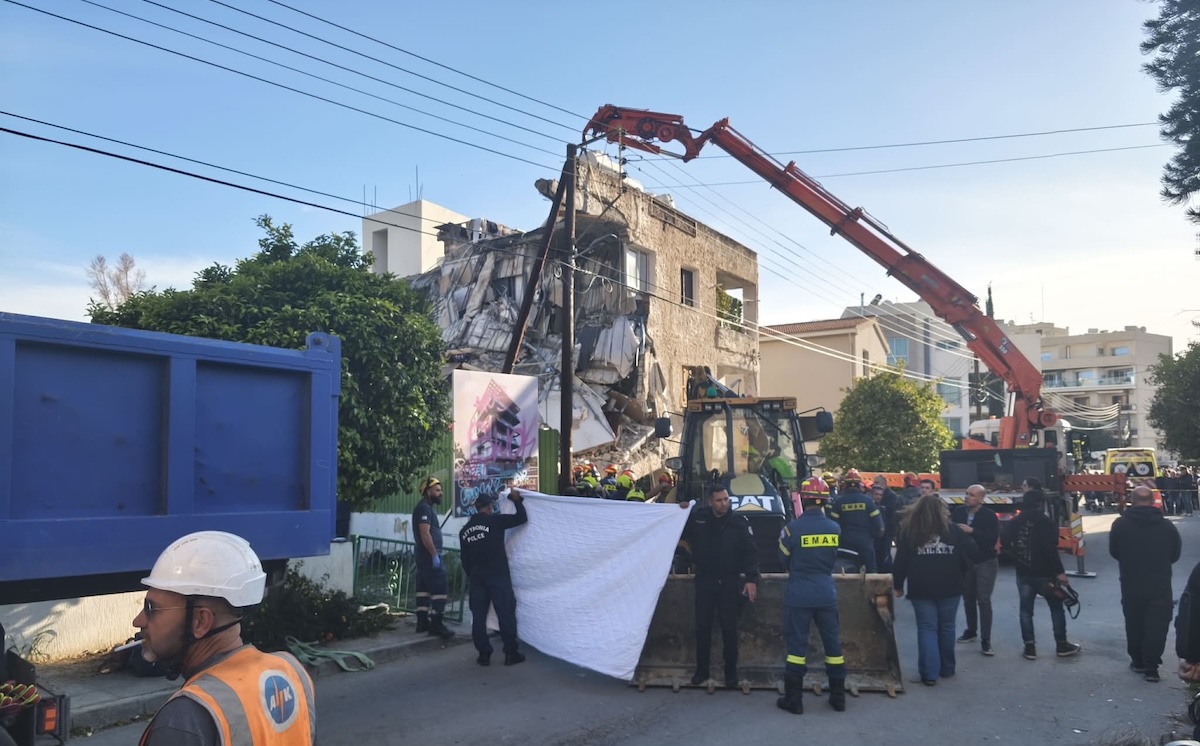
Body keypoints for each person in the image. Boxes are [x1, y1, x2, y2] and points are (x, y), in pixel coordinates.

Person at [134, 531, 316, 746]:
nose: (138, 621)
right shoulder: (292, 672)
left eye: (150, 608)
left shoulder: (184, 720)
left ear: (200, 622)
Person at [776, 477, 847, 714]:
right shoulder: (834, 528)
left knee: (797, 647)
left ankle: (794, 700)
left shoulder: (791, 529)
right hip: (826, 593)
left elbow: (781, 560)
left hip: (799, 594)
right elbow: (833, 557)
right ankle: (838, 698)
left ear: (802, 500)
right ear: (825, 500)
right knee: (833, 646)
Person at [677, 483, 760, 688]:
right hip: (704, 581)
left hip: (730, 582)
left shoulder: (739, 522)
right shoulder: (699, 518)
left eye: (726, 499)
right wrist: (679, 510)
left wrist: (751, 579)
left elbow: (751, 552)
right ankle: (702, 671)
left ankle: (730, 673)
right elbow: (677, 528)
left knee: (729, 629)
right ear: (710, 501)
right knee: (702, 627)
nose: (724, 503)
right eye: (719, 500)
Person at [892, 495, 976, 686]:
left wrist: (898, 585)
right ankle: (947, 668)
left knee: (927, 628)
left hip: (921, 586)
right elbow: (972, 550)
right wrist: (963, 570)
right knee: (947, 627)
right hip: (951, 584)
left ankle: (929, 673)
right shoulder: (953, 530)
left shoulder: (910, 531)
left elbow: (901, 561)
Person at [1109, 485, 1181, 682]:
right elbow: (1175, 554)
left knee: (1134, 621)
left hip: (1131, 581)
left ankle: (1138, 660)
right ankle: (1151, 667)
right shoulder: (1167, 526)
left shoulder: (1120, 525)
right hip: (1159, 581)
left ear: (1132, 500)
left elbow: (1114, 551)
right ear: (1152, 501)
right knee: (1157, 623)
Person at [1002, 489, 1081, 660]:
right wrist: (1060, 573)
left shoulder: (1016, 521)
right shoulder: (1047, 523)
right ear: (1041, 503)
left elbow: (1005, 541)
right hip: (1046, 574)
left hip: (1023, 572)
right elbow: (1051, 550)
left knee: (1025, 610)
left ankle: (1029, 647)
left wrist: (1016, 556)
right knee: (1056, 608)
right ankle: (1061, 644)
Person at [459, 488, 529, 667]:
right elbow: (521, 518)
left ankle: (483, 655)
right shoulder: (494, 522)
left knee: (479, 617)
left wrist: (474, 575)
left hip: (477, 578)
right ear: (489, 508)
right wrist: (516, 500)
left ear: (476, 508)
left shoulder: (464, 531)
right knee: (505, 612)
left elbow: (465, 560)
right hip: (497, 575)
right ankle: (510, 653)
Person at [952, 484, 1000, 656]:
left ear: (981, 498)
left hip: (985, 561)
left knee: (983, 600)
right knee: (968, 598)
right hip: (966, 562)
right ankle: (971, 630)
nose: (967, 497)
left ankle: (986, 640)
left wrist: (971, 531)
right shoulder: (958, 512)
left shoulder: (989, 516)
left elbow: (991, 539)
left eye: (971, 495)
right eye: (966, 493)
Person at [413, 476, 455, 640]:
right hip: (428, 556)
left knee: (423, 589)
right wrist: (434, 555)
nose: (440, 493)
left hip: (423, 556)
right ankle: (437, 625)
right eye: (437, 490)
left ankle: (422, 622)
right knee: (440, 587)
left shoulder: (425, 508)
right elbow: (425, 534)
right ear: (427, 491)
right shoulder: (424, 509)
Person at [828, 469, 884, 573]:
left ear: (845, 485)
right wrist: (870, 536)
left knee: (845, 575)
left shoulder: (839, 502)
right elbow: (878, 526)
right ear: (860, 485)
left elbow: (833, 526)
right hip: (865, 543)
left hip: (845, 545)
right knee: (871, 573)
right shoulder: (868, 502)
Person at [871, 477, 899, 573]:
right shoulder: (871, 502)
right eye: (874, 482)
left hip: (886, 533)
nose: (875, 484)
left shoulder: (891, 498)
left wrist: (893, 533)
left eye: (877, 482)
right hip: (876, 534)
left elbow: (893, 517)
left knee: (885, 556)